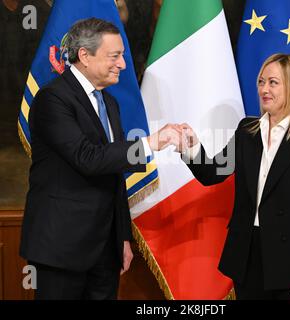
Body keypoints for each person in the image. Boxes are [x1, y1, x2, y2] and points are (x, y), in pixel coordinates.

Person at [20, 18, 183, 300]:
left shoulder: (109, 102)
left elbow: (113, 173)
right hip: (62, 248)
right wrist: (150, 143)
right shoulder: (52, 99)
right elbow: (88, 158)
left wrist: (121, 237)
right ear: (84, 55)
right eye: (115, 56)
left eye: (122, 56)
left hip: (105, 249)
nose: (122, 64)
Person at [180, 53, 290, 300]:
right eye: (261, 81)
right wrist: (189, 147)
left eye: (273, 82)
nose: (264, 89)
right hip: (248, 255)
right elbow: (213, 173)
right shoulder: (247, 131)